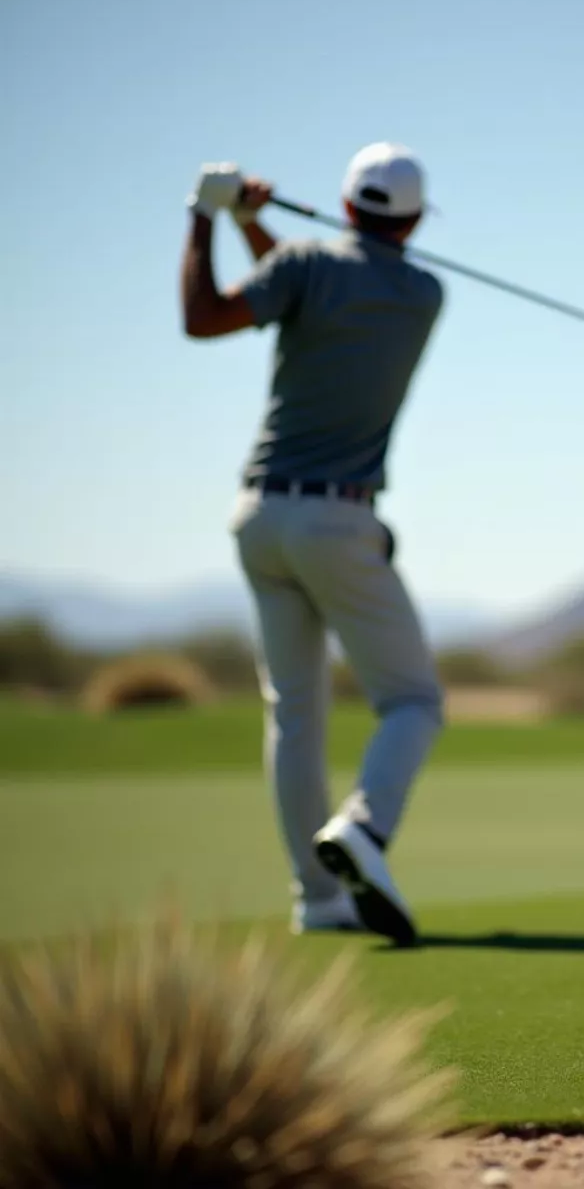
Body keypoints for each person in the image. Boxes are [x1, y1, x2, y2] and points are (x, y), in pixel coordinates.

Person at [178, 143, 446, 946]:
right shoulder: (423, 293)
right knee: (413, 700)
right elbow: (299, 285)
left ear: (345, 201)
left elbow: (209, 316)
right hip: (340, 520)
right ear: (419, 219)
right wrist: (251, 224)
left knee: (295, 714)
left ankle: (318, 898)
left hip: (261, 518)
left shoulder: (301, 270)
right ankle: (364, 827)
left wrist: (207, 218)